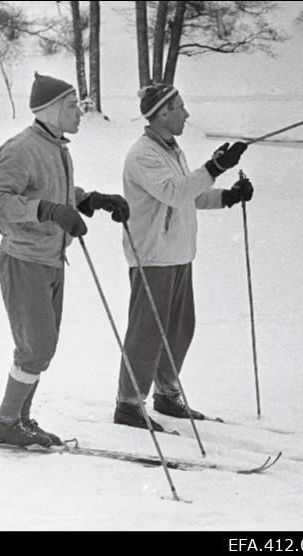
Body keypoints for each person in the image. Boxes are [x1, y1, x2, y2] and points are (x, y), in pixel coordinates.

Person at [0, 73, 130, 447]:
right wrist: (48, 210)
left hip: (51, 259)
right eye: (71, 105)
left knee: (41, 348)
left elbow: (53, 189)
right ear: (49, 111)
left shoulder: (56, 147)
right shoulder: (20, 148)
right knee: (37, 347)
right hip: (24, 259)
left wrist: (90, 199)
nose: (80, 112)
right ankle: (6, 421)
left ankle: (20, 419)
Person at [113, 83, 253, 430]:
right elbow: (176, 192)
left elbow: (190, 193)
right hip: (153, 256)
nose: (187, 114)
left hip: (178, 253)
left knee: (180, 328)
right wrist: (214, 166)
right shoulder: (143, 155)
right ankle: (129, 403)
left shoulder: (172, 150)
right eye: (180, 107)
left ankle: (166, 393)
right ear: (162, 113)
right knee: (148, 331)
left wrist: (226, 196)